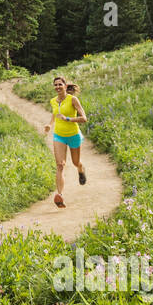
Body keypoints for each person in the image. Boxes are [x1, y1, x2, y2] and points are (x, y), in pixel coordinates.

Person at [42, 76, 88, 207]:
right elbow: (55, 114)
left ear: (65, 85)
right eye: (55, 85)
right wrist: (50, 125)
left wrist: (68, 119)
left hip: (73, 135)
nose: (57, 87)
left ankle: (81, 169)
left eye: (60, 84)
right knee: (60, 165)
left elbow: (84, 118)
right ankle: (60, 195)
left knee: (75, 162)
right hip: (59, 136)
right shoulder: (53, 101)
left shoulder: (73, 99)